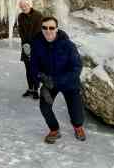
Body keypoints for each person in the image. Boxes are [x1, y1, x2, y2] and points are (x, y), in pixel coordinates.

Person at [30, 16, 86, 144]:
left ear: (57, 29)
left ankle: (78, 127)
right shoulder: (37, 44)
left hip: (68, 82)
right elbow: (33, 66)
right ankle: (54, 129)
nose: (48, 31)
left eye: (51, 28)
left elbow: (77, 67)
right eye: (44, 28)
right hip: (49, 81)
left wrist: (55, 81)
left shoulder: (68, 45)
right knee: (44, 106)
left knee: (76, 112)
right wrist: (40, 79)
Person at [17, 0, 43, 99]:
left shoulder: (38, 15)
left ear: (29, 5)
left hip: (36, 46)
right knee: (28, 69)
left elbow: (38, 31)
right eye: (22, 6)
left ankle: (36, 89)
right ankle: (30, 89)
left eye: (25, 6)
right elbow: (21, 30)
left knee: (35, 68)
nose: (24, 8)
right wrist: (25, 43)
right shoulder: (20, 16)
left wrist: (31, 44)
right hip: (25, 45)